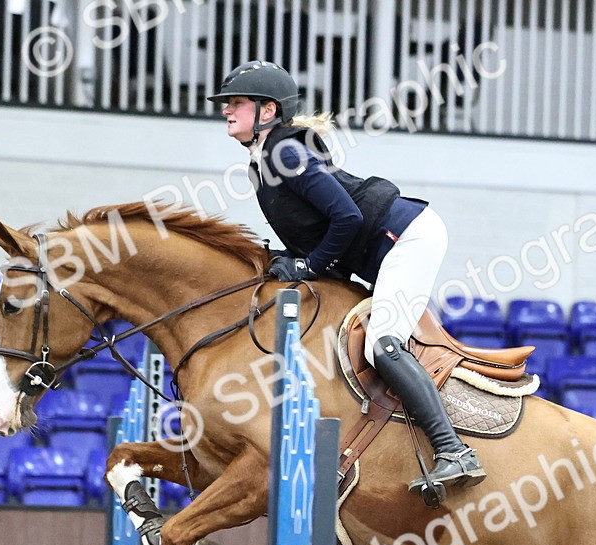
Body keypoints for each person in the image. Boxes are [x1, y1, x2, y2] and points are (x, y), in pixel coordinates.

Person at [207, 60, 486, 496]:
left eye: (236, 103)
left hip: (407, 236)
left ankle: (454, 450)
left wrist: (309, 266)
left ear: (267, 110)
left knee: (382, 345)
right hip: (382, 245)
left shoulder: (285, 154)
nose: (226, 110)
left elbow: (347, 217)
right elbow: (315, 234)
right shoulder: (263, 163)